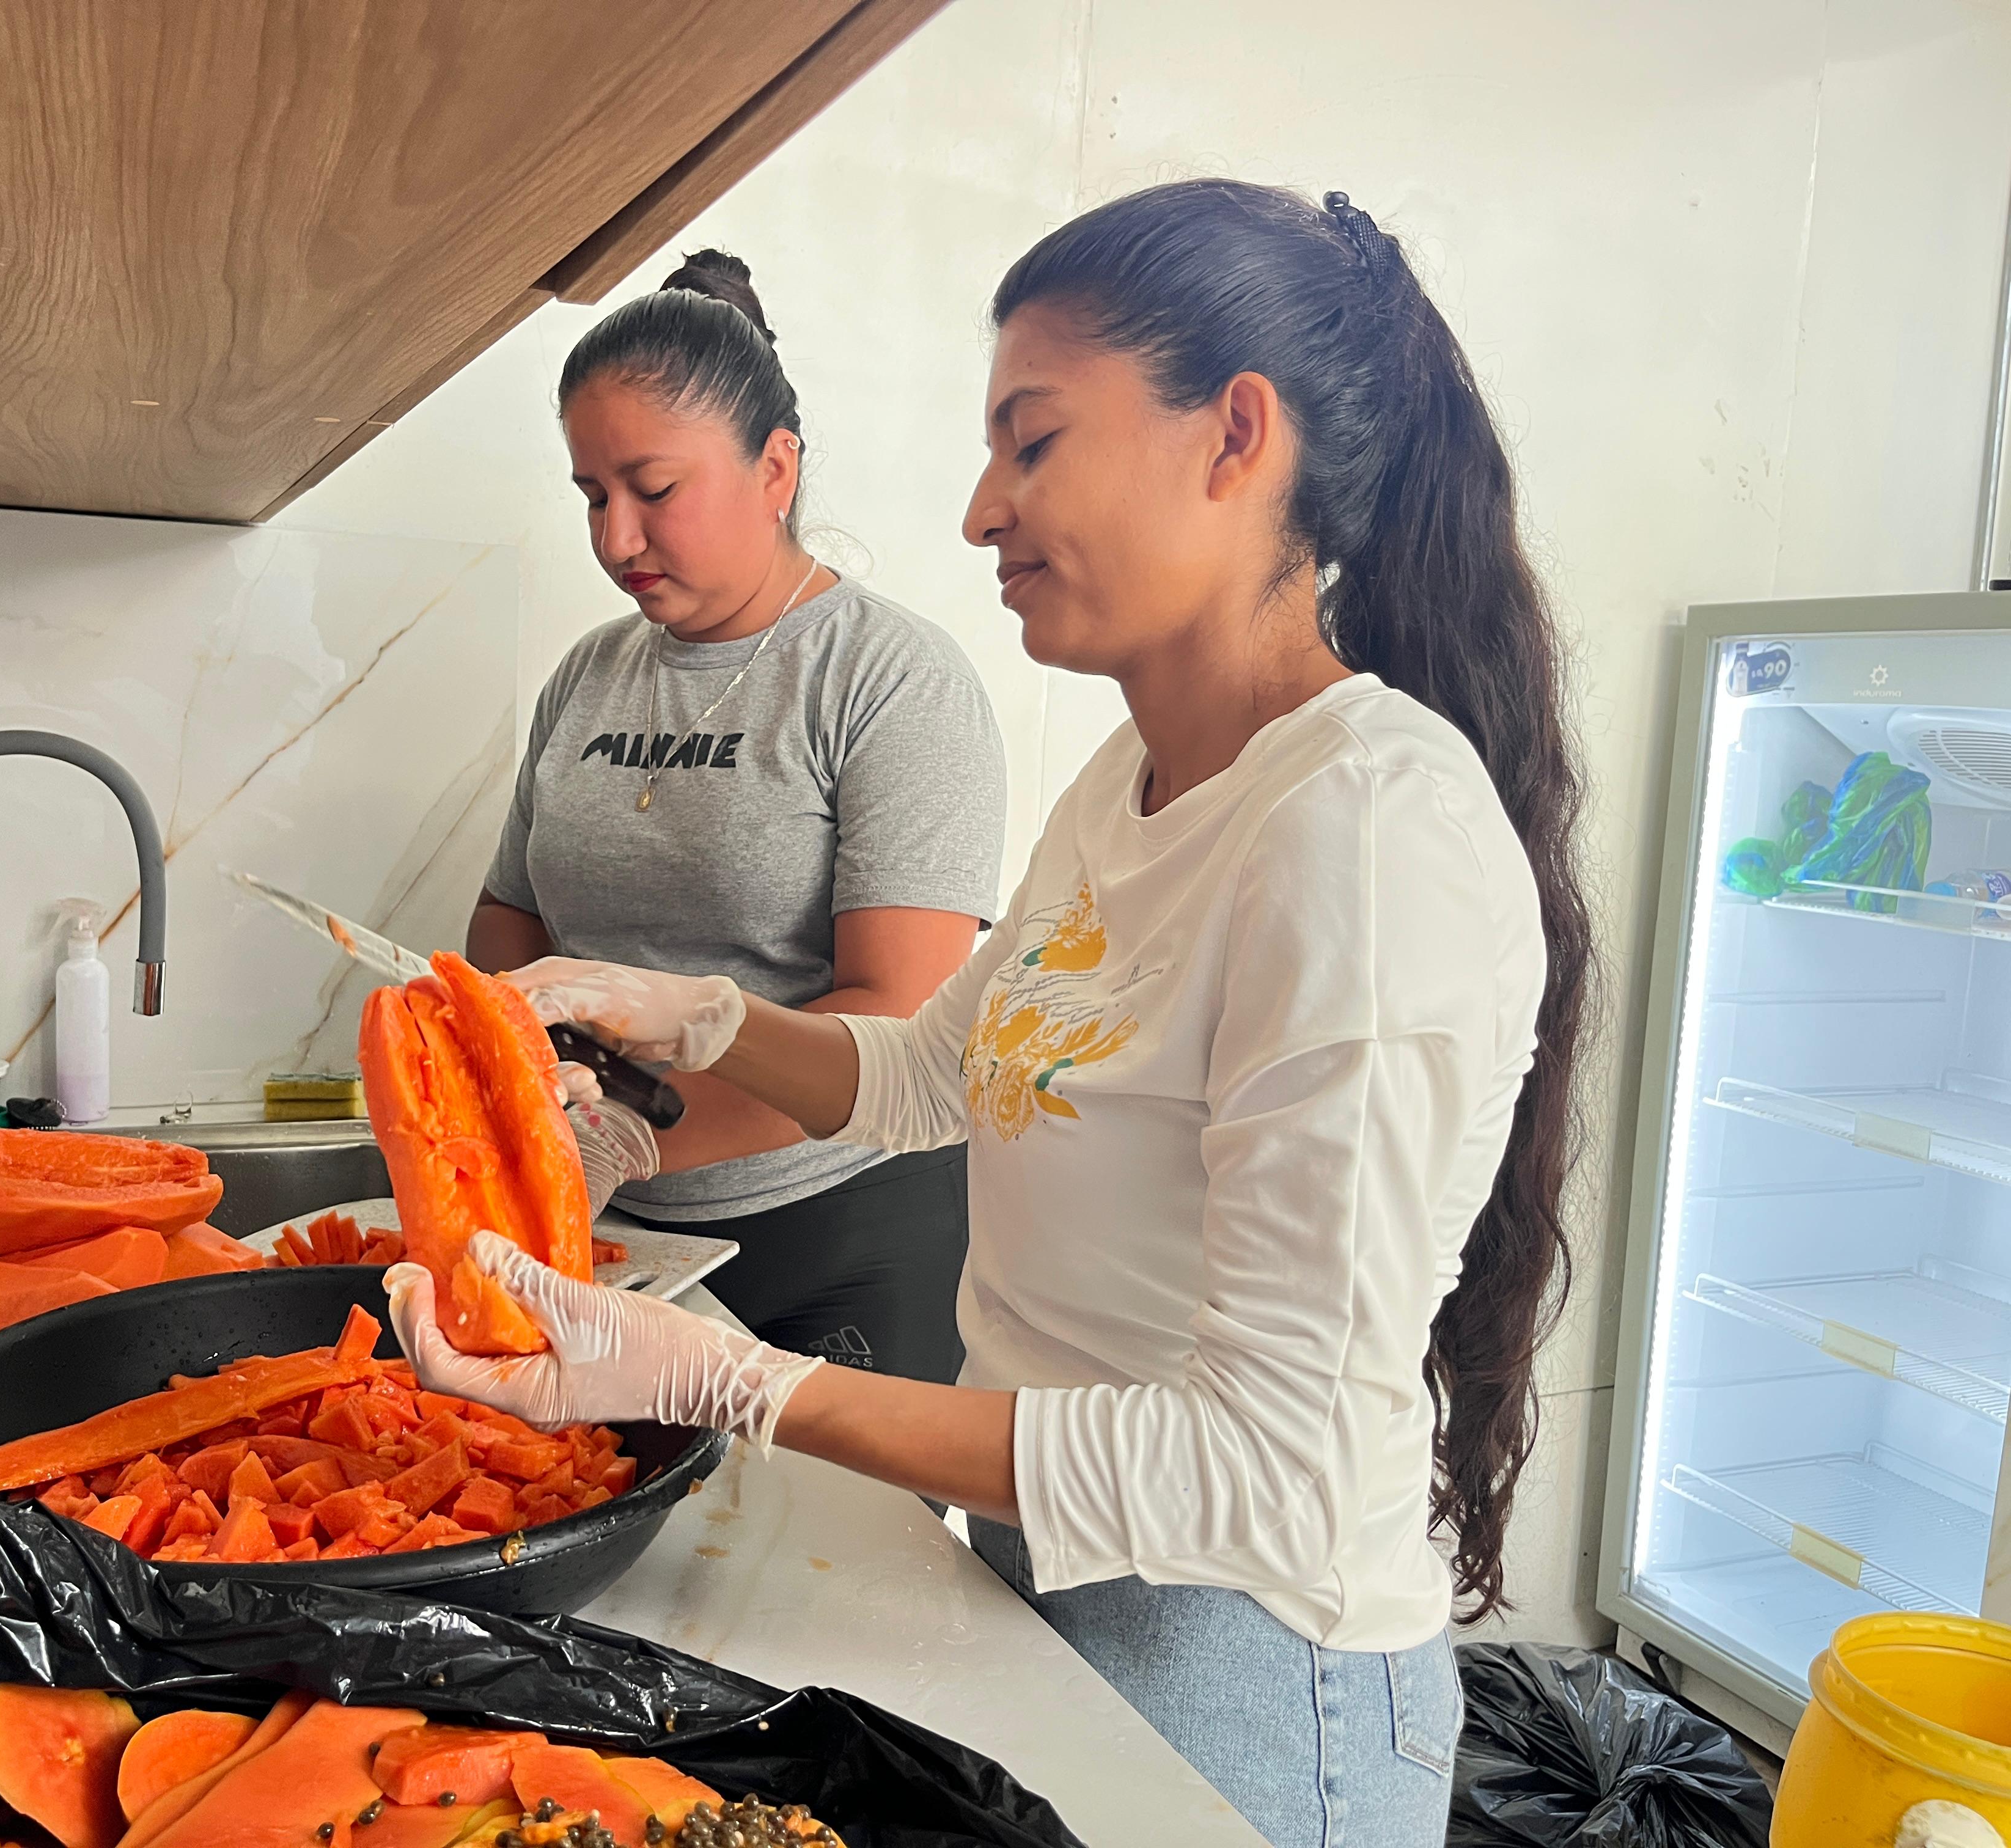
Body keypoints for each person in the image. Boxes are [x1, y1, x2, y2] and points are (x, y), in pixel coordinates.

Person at [395, 181, 1593, 1846]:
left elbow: (1263, 1467)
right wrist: (692, 1016)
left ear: (1235, 437)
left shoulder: (1368, 833)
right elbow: (934, 1075)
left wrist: (739, 1386)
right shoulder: (1131, 778)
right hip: (1050, 1563)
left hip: (1250, 1661)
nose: (979, 510)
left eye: (1033, 442)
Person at [468, 249, 1005, 1387]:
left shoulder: (890, 679)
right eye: (593, 496)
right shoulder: (590, 676)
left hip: (839, 1235)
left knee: (813, 1507)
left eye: (654, 490)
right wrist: (519, 1081)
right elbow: (511, 918)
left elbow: (898, 1015)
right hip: (616, 1229)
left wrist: (631, 1134)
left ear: (775, 468)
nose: (616, 539)